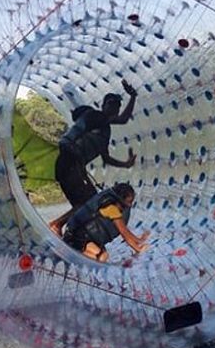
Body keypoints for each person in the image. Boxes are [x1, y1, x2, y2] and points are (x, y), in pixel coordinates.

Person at [49, 80, 138, 234]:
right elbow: (123, 119)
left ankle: (69, 231)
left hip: (73, 165)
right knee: (88, 201)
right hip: (69, 161)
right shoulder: (95, 116)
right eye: (111, 104)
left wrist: (126, 164)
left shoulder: (104, 132)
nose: (114, 108)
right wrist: (133, 97)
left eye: (117, 106)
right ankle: (57, 225)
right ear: (103, 106)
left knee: (88, 201)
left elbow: (106, 158)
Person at [62, 183, 149, 262]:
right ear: (121, 199)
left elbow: (125, 231)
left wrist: (139, 240)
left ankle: (74, 255)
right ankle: (68, 254)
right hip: (78, 236)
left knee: (103, 256)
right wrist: (138, 249)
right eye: (129, 201)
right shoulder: (112, 209)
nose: (130, 205)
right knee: (100, 256)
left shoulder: (112, 205)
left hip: (87, 237)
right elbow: (124, 233)